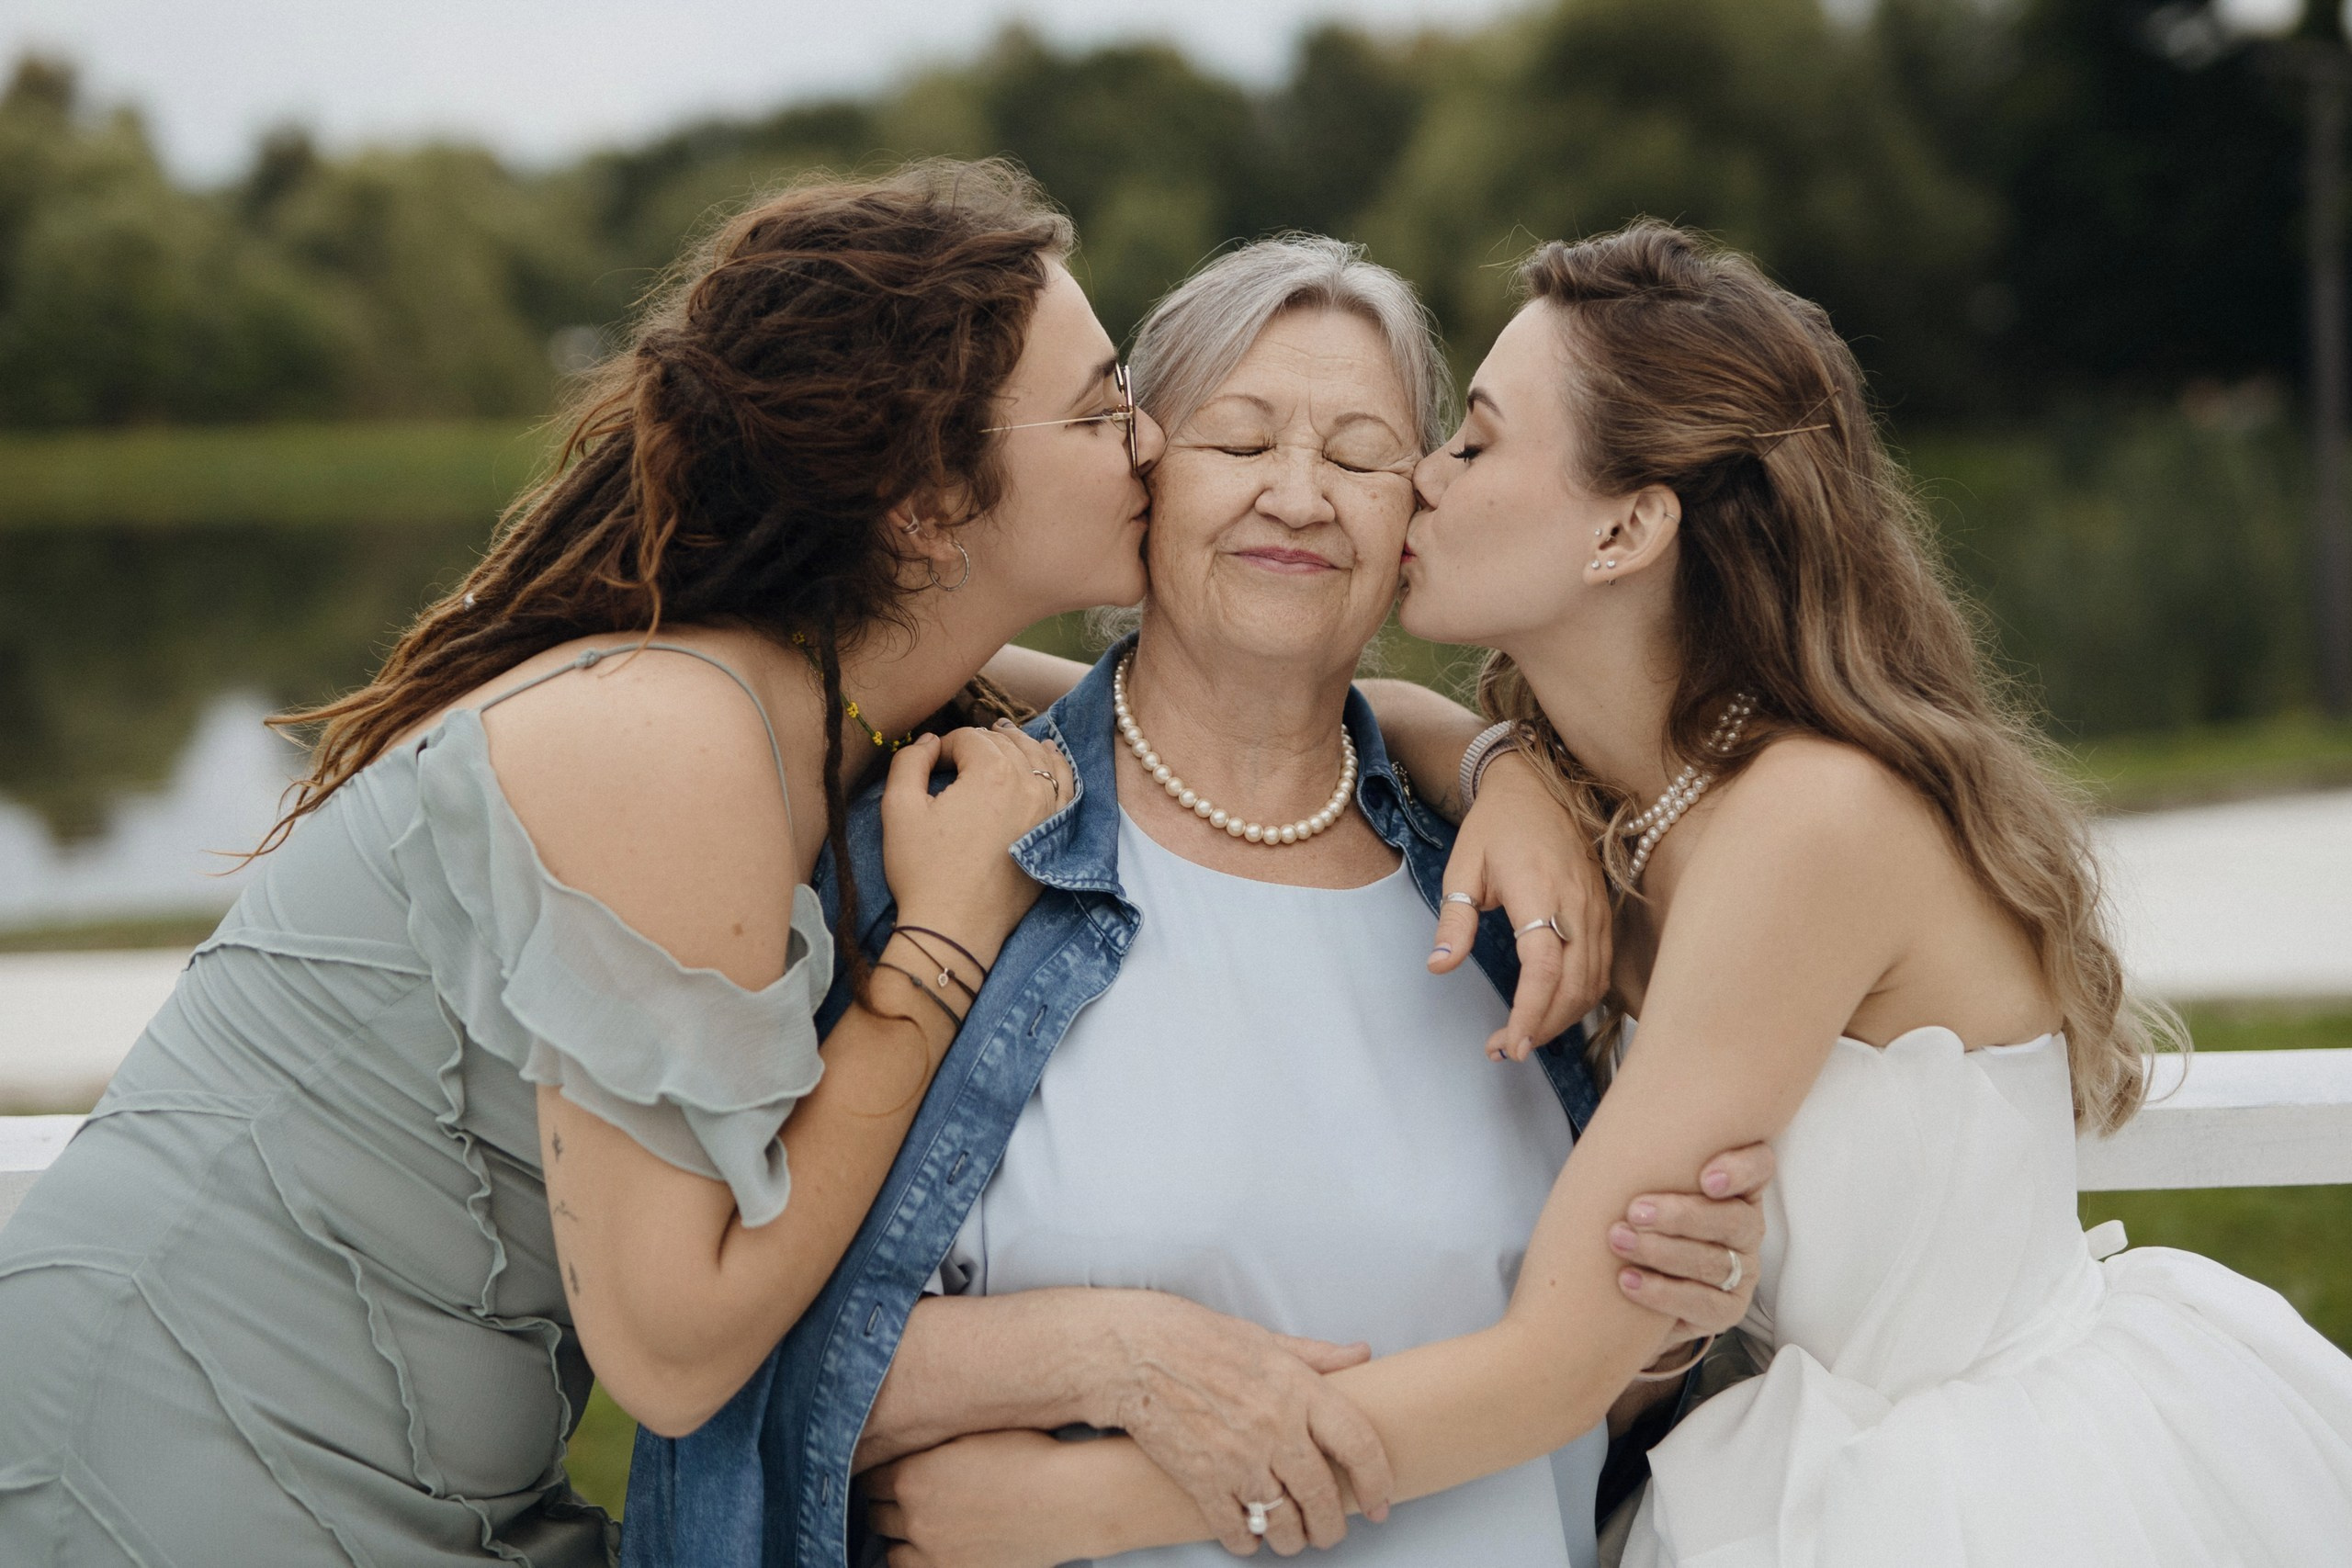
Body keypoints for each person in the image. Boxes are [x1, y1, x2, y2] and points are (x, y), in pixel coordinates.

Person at [855, 221, 2352, 1568]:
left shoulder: (1800, 826)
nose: (1406, 485)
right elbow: (1185, 692)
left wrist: (1091, 1505)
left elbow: (1557, 1366)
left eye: (1448, 446)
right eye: (1241, 439)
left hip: (1976, 1494)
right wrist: (1494, 757)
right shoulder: (1605, 817)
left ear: (1626, 531)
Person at [0, 160, 1121, 1567]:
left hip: (410, 1487)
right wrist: (938, 955)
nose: (1157, 443)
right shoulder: (673, 733)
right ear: (927, 502)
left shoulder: (844, 681)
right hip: (180, 1470)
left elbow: (1200, 727)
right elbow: (675, 1352)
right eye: (1103, 410)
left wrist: (1437, 711)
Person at [622, 236, 1778, 1568]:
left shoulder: (1526, 902)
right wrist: (1109, 1357)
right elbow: (727, 1370)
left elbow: (1573, 1407)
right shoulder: (942, 851)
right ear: (1144, 475)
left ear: (1416, 511)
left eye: (1361, 457)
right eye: (1239, 441)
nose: (1299, 496)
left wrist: (1667, 1324)